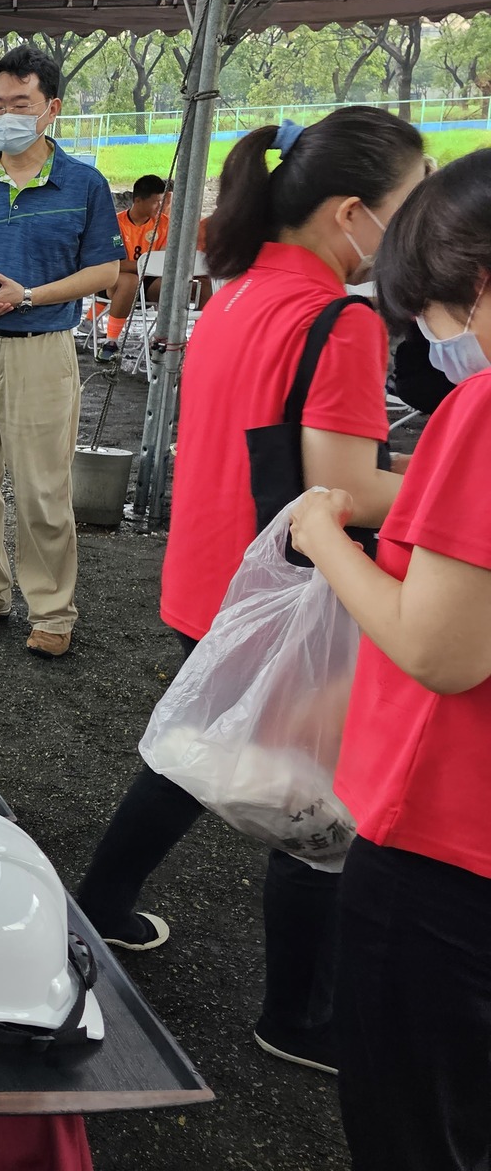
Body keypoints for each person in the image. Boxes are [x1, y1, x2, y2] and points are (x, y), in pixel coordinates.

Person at [75, 108, 423, 1078]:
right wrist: (453, 484)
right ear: (353, 213)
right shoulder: (340, 318)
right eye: (407, 207)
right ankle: (297, 1015)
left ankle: (98, 906)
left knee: (197, 753)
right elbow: (344, 484)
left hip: (210, 572)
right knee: (313, 804)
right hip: (287, 593)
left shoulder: (236, 290)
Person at [290, 150, 491, 1167]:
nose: (433, 340)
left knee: (415, 1129)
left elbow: (440, 648)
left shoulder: (483, 415)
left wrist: (325, 538)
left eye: (436, 315)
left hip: (444, 845)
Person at [0, 44, 122, 658]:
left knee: (41, 487)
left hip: (41, 346)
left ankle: (52, 612)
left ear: (50, 109)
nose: (5, 115)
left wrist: (28, 295)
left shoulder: (83, 184)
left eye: (20, 104)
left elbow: (105, 271)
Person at [98, 174, 170, 361]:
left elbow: (165, 263)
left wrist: (144, 267)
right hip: (116, 281)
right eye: (156, 202)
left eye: (162, 202)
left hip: (149, 282)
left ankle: (168, 339)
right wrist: (146, 266)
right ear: (138, 200)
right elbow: (115, 264)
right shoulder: (115, 223)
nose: (160, 207)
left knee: (174, 284)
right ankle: (110, 342)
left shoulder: (165, 224)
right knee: (130, 280)